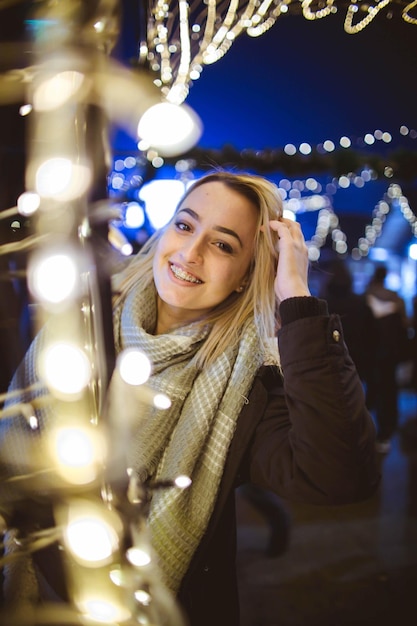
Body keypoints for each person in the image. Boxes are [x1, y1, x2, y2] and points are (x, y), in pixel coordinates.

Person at [0, 171, 380, 626]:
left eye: (223, 245)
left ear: (246, 275)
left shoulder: (249, 383)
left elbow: (340, 476)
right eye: (184, 225)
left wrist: (295, 296)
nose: (190, 252)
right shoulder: (77, 321)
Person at [365, 264, 410, 453]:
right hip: (391, 356)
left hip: (371, 356)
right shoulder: (397, 300)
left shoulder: (365, 298)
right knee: (390, 392)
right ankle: (386, 431)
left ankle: (366, 432)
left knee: (369, 393)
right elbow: (405, 328)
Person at [321, 258, 378, 385]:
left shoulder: (322, 304)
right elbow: (372, 334)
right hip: (358, 357)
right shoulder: (360, 303)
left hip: (330, 361)